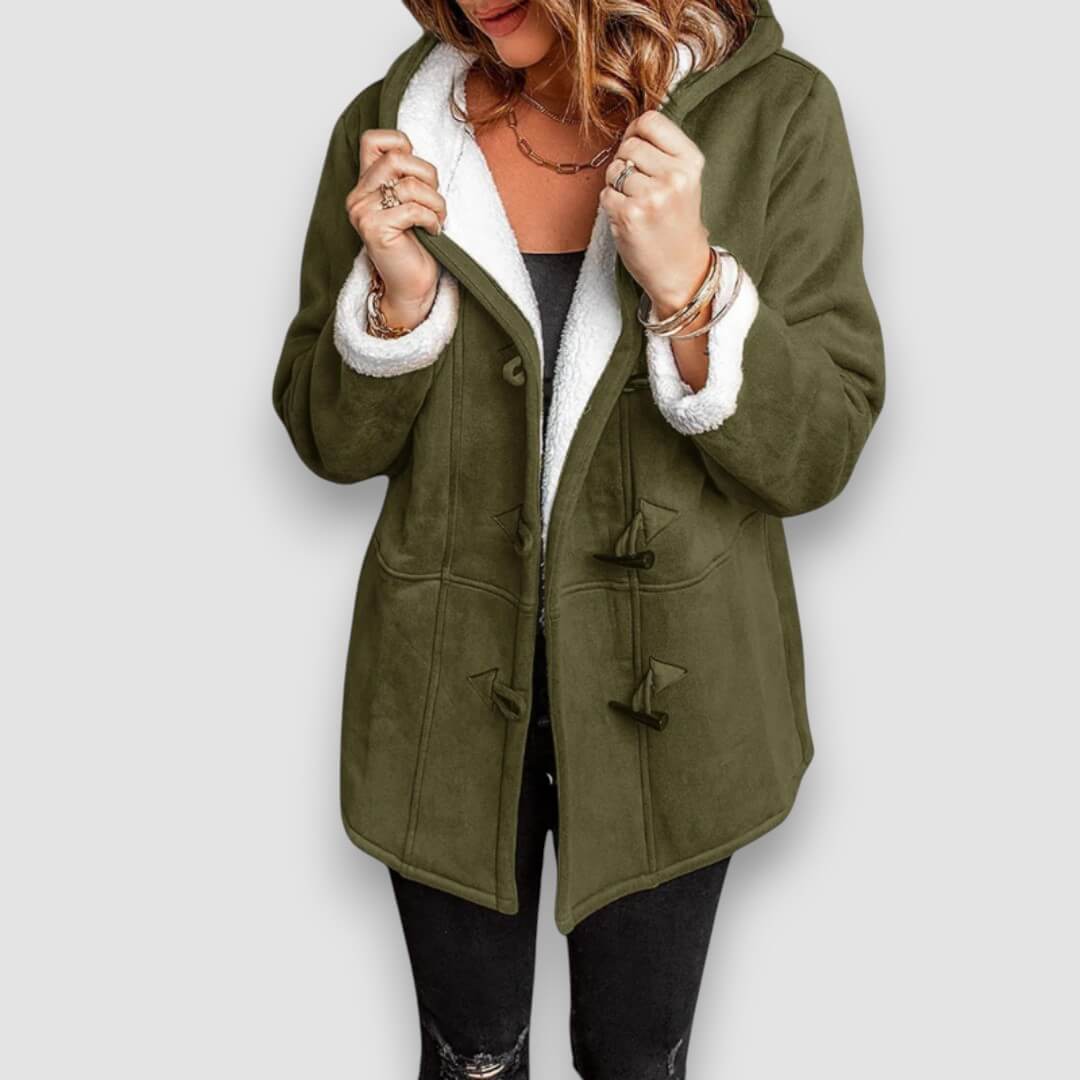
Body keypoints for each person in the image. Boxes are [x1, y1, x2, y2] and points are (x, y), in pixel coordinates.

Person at [272, 1, 885, 1075]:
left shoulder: (779, 115)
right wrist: (398, 303)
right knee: (468, 1059)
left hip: (679, 706)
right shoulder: (395, 126)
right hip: (439, 700)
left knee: (635, 1061)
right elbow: (328, 440)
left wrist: (692, 288)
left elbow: (818, 453)